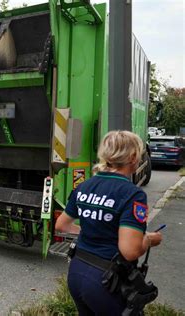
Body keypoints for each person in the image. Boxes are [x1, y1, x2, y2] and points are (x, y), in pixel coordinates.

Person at [55, 130, 163, 316]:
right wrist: (149, 239)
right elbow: (130, 251)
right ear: (133, 157)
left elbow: (62, 225)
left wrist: (92, 228)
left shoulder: (85, 185)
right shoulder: (132, 194)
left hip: (77, 272)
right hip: (106, 281)